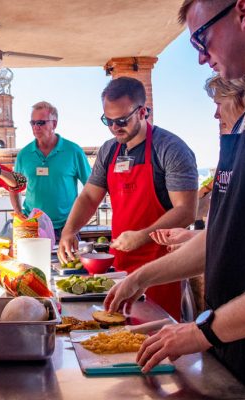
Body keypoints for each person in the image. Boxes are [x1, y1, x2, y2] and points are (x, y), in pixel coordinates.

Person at [105, 1, 245, 398]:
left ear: (244, 11)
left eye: (202, 38)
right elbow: (225, 236)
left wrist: (203, 329)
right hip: (238, 356)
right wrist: (141, 277)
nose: (200, 57)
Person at [58, 77, 199, 320]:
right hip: (120, 267)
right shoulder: (109, 150)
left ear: (142, 112)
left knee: (156, 341)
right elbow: (90, 196)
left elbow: (186, 210)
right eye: (108, 121)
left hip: (161, 270)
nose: (114, 128)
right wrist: (69, 230)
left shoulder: (170, 149)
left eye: (121, 121)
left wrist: (142, 236)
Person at [151, 73, 245, 250]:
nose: (216, 115)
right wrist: (193, 237)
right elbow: (229, 229)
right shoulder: (236, 146)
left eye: (219, 104)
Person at [10, 101, 91, 239]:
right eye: (33, 123)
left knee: (69, 261)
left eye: (41, 123)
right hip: (32, 226)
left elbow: (91, 188)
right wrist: (18, 211)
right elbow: (13, 186)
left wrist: (77, 222)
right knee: (29, 262)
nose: (36, 127)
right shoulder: (24, 154)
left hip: (67, 227)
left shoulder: (73, 151)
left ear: (54, 124)